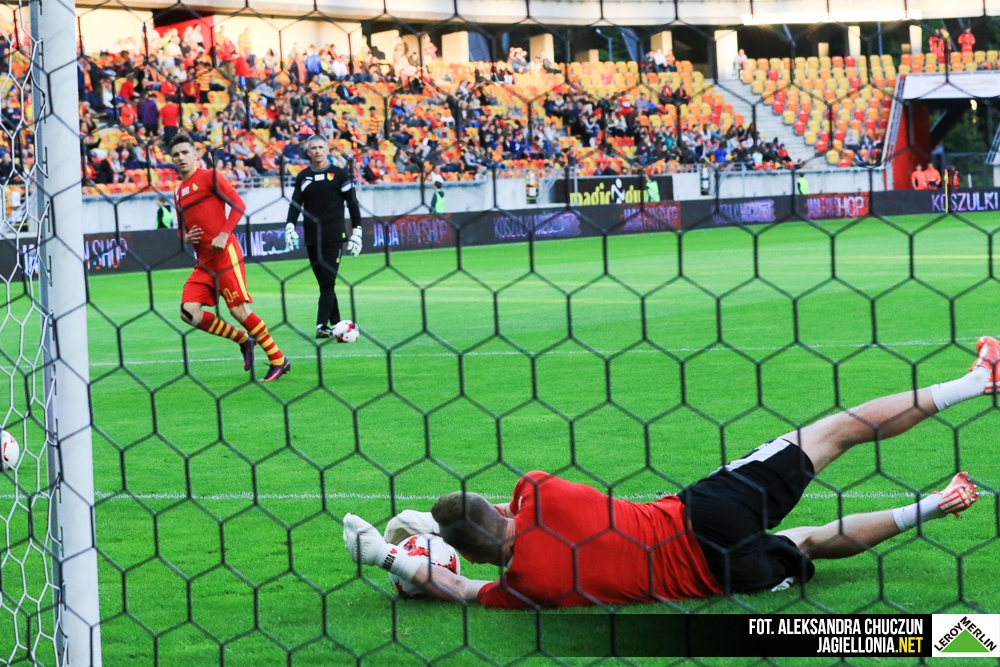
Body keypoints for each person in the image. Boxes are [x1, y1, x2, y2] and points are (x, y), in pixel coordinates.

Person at [343, 336, 996, 605]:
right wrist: (427, 518)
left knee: (807, 540)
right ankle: (975, 381)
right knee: (840, 431)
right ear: (497, 507)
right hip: (706, 508)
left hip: (716, 576)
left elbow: (462, 588)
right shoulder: (538, 491)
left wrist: (386, 555)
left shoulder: (524, 587)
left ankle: (935, 504)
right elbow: (502, 511)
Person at [169, 134, 291, 381]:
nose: (181, 158)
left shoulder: (210, 176)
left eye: (185, 152)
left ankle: (278, 359)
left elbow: (238, 204)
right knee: (188, 312)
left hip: (226, 254)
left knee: (237, 309)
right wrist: (186, 238)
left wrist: (224, 234)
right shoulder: (178, 192)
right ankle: (243, 340)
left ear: (195, 154)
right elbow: (181, 230)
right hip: (204, 263)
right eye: (176, 155)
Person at [285, 135, 363, 338]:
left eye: (321, 147)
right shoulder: (303, 177)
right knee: (325, 283)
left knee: (328, 281)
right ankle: (337, 325)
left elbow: (352, 203)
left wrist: (357, 231)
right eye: (314, 148)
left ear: (328, 150)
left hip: (334, 237)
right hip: (312, 238)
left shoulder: (340, 174)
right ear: (308, 152)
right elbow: (295, 204)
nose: (317, 151)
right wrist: (290, 226)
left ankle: (321, 325)